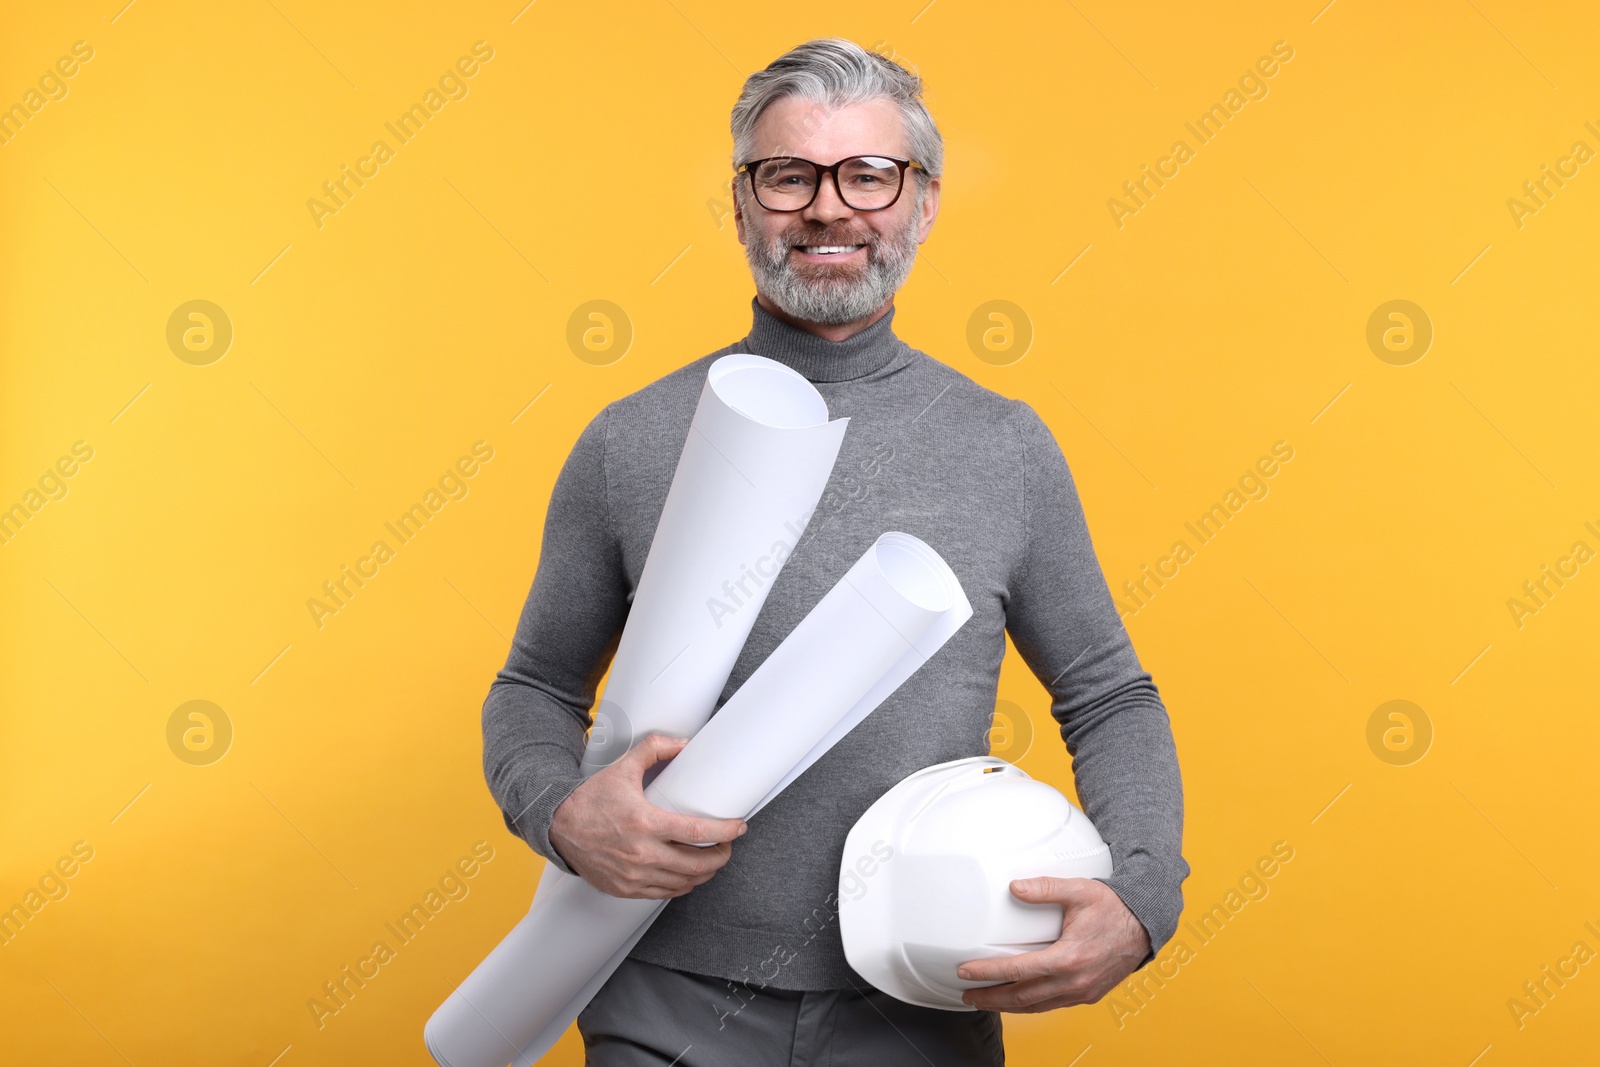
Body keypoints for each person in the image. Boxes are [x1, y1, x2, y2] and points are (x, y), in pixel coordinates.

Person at [481, 37, 1188, 1066]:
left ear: (924, 202)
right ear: (739, 204)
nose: (827, 208)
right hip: (659, 997)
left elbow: (1108, 694)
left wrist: (1138, 897)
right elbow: (534, 682)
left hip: (922, 999)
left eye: (869, 173)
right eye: (787, 175)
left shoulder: (1003, 445)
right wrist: (558, 811)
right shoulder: (630, 438)